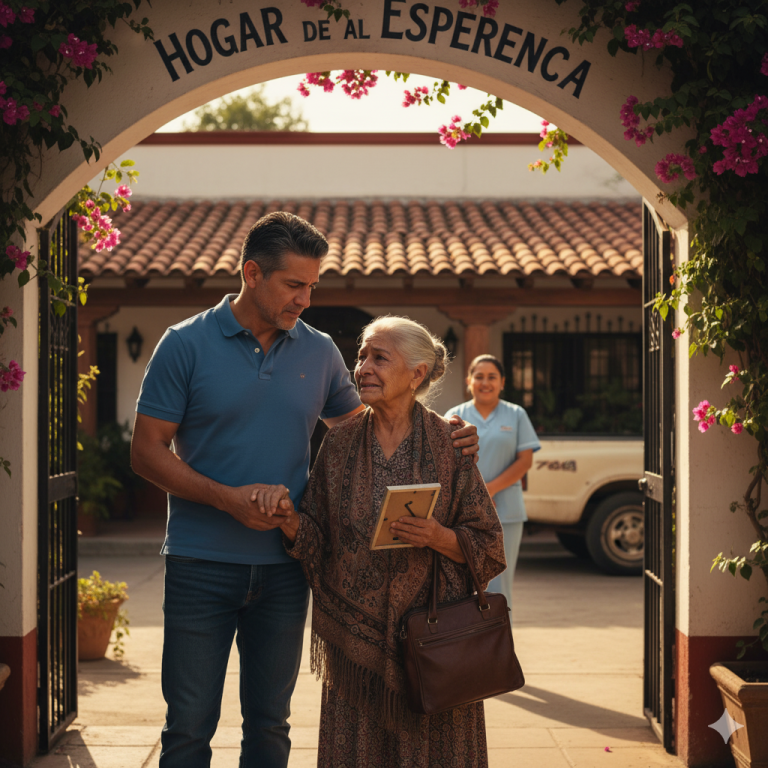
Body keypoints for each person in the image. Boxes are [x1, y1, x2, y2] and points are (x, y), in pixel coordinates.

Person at [129, 213, 480, 768]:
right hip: (200, 563)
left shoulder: (317, 352)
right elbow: (146, 451)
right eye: (295, 285)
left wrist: (445, 432)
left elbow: (367, 425)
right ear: (251, 273)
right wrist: (228, 500)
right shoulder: (184, 344)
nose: (305, 299)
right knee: (189, 725)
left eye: (312, 285)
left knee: (270, 725)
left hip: (288, 568)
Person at [271, 316, 505, 768]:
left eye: (380, 357)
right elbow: (317, 539)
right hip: (355, 651)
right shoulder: (337, 445)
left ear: (418, 373)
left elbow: (489, 543)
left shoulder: (449, 441)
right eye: (361, 356)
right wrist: (290, 522)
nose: (363, 368)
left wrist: (440, 537)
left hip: (435, 647)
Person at [445, 354, 541, 612]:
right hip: (463, 513)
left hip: (506, 512)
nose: (485, 383)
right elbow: (446, 465)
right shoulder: (455, 416)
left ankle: (498, 646)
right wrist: (475, 498)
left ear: (502, 382)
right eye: (479, 377)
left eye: (492, 377)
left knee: (499, 584)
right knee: (461, 583)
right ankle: (465, 644)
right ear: (469, 381)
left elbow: (525, 461)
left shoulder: (516, 414)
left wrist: (489, 491)